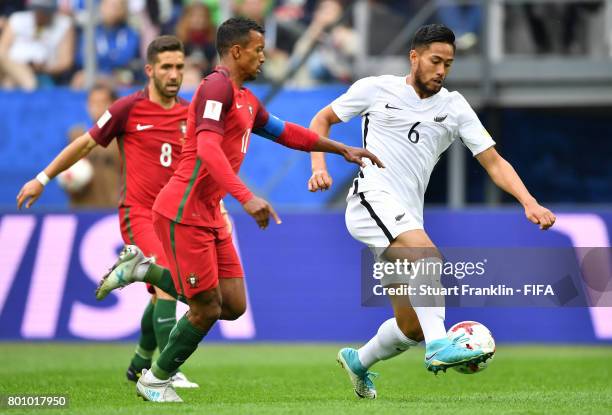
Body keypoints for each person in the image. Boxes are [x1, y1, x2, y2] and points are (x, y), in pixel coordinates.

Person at [93, 16, 384, 402]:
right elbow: (209, 149)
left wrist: (338, 148)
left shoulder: (246, 97)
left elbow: (286, 132)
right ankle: (156, 379)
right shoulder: (216, 87)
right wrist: (247, 197)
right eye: (258, 50)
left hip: (209, 212)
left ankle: (141, 269)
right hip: (183, 209)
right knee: (205, 309)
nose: (264, 58)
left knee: (232, 305)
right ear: (236, 51)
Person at [307, 24, 556, 399]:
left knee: (411, 326)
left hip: (405, 217)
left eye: (448, 64)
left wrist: (529, 201)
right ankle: (440, 345)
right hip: (369, 199)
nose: (441, 70)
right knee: (428, 258)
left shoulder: (454, 107)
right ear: (415, 57)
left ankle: (358, 361)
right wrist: (318, 167)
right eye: (435, 61)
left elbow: (493, 161)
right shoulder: (376, 89)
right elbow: (320, 120)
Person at [16, 35, 201, 389]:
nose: (174, 74)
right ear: (150, 70)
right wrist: (43, 178)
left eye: (179, 66)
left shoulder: (189, 114)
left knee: (165, 288)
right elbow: (84, 143)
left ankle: (139, 361)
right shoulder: (127, 109)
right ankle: (165, 369)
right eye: (166, 67)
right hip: (140, 213)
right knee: (168, 281)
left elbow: (198, 165)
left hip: (175, 217)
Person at [63, 83, 121, 208]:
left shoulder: (122, 139)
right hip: (81, 211)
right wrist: (70, 180)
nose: (97, 107)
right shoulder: (76, 135)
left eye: (102, 102)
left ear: (114, 105)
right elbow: (66, 176)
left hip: (111, 213)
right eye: (92, 103)